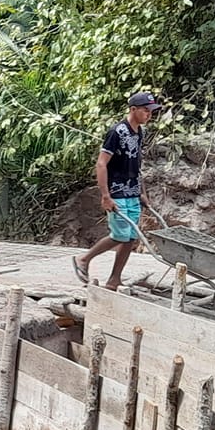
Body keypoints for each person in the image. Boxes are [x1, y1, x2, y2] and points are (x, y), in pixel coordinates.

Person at [73, 92, 161, 290]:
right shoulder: (117, 132)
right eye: (146, 110)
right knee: (120, 235)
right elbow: (101, 164)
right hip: (116, 191)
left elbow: (136, 164)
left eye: (151, 111)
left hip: (132, 192)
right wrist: (105, 196)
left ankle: (114, 279)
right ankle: (84, 259)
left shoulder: (139, 132)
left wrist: (141, 192)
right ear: (133, 109)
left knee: (130, 237)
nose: (149, 115)